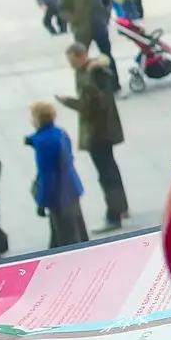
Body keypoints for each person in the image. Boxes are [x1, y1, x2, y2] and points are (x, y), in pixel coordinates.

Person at [58, 44, 128, 232]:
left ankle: (114, 214)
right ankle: (121, 206)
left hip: (99, 132)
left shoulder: (94, 74)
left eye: (71, 59)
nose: (70, 64)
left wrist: (69, 102)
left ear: (80, 56)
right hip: (100, 129)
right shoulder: (86, 72)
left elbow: (93, 105)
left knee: (106, 173)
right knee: (109, 169)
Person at [27, 101, 89, 249]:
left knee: (66, 235)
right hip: (72, 187)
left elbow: (46, 175)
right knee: (77, 228)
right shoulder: (60, 133)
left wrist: (42, 202)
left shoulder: (43, 143)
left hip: (58, 194)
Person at [59, 0, 119, 91]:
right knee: (80, 60)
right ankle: (83, 89)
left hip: (99, 26)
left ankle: (115, 86)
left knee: (107, 56)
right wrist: (75, 20)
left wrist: (105, 14)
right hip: (82, 30)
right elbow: (63, 9)